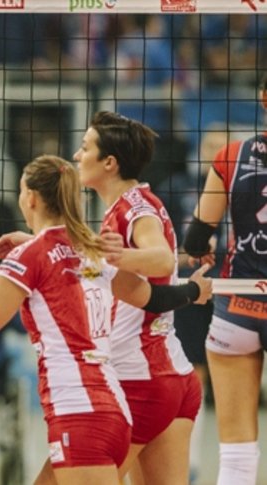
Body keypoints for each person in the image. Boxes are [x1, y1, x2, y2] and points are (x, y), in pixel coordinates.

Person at [0, 154, 212, 484]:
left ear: (29, 198)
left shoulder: (30, 256)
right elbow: (155, 298)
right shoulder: (89, 250)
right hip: (114, 411)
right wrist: (195, 291)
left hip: (78, 413)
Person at [70, 111, 201, 484]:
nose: (77, 155)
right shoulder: (130, 205)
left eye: (85, 148)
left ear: (109, 163)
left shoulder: (135, 208)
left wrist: (116, 258)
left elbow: (161, 258)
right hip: (171, 374)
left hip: (141, 379)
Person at [182, 76, 267, 485]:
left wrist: (204, 248)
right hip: (241, 301)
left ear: (263, 99)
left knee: (235, 454)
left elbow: (196, 237)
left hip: (237, 307)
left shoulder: (232, 156)